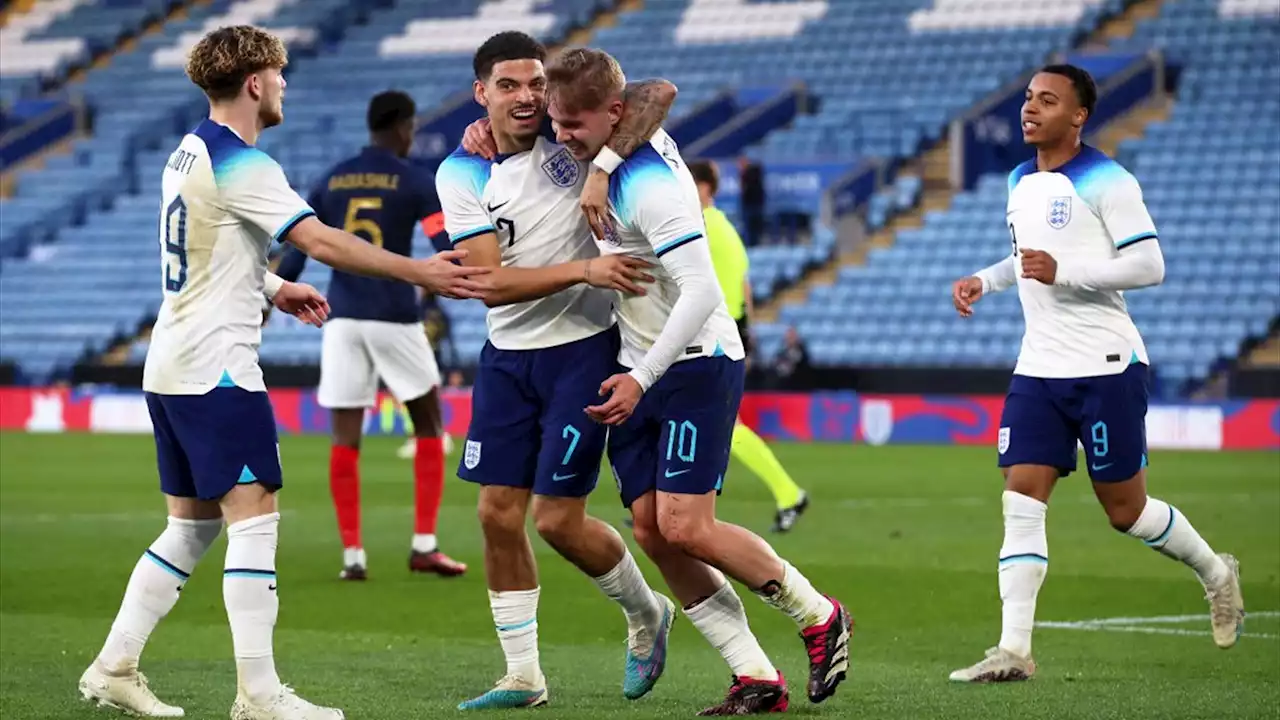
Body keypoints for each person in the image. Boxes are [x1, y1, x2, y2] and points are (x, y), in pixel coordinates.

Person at [77, 25, 488, 720]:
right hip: (219, 372)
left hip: (172, 362)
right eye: (280, 73)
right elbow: (320, 239)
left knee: (191, 527)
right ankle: (259, 696)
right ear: (256, 82)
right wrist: (417, 270)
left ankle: (113, 666)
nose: (286, 85)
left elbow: (205, 243)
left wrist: (272, 288)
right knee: (255, 519)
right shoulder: (246, 163)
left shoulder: (187, 151)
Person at [545, 48, 852, 716]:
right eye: (555, 120)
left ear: (613, 115)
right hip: (638, 362)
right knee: (654, 531)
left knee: (686, 525)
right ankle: (754, 677)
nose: (561, 134)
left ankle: (819, 614)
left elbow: (702, 291)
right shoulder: (613, 145)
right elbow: (651, 90)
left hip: (692, 361)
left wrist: (642, 379)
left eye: (574, 122)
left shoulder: (647, 183)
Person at [948, 64, 1243, 683]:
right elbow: (1028, 259)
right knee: (1020, 496)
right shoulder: (1018, 179)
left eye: (1047, 100)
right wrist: (988, 279)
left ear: (1078, 116)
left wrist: (1067, 273)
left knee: (1125, 511)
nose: (1030, 108)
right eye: (1029, 98)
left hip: (1107, 366)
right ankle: (1014, 650)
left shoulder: (1109, 180)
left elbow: (1149, 265)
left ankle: (1216, 573)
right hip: (1039, 368)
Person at [439, 31, 680, 710]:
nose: (527, 97)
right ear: (480, 93)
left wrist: (601, 167)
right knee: (494, 513)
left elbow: (658, 92)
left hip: (584, 350)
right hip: (506, 358)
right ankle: (523, 676)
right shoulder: (460, 172)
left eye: (535, 83)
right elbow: (486, 282)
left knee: (556, 521)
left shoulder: (570, 137)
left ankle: (645, 613)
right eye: (507, 86)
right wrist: (585, 267)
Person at [275, 90, 465, 581]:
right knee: (428, 423)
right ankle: (424, 544)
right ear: (404, 127)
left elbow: (296, 252)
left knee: (345, 438)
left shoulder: (332, 178)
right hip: (396, 315)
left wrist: (272, 294)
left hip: (342, 318)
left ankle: (353, 555)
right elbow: (445, 244)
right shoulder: (415, 179)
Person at [688, 159, 810, 533]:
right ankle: (669, 500)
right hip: (728, 330)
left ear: (705, 187)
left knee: (724, 426)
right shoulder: (727, 229)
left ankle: (789, 493)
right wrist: (747, 334)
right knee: (694, 419)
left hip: (710, 332)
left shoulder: (700, 226)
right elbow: (746, 287)